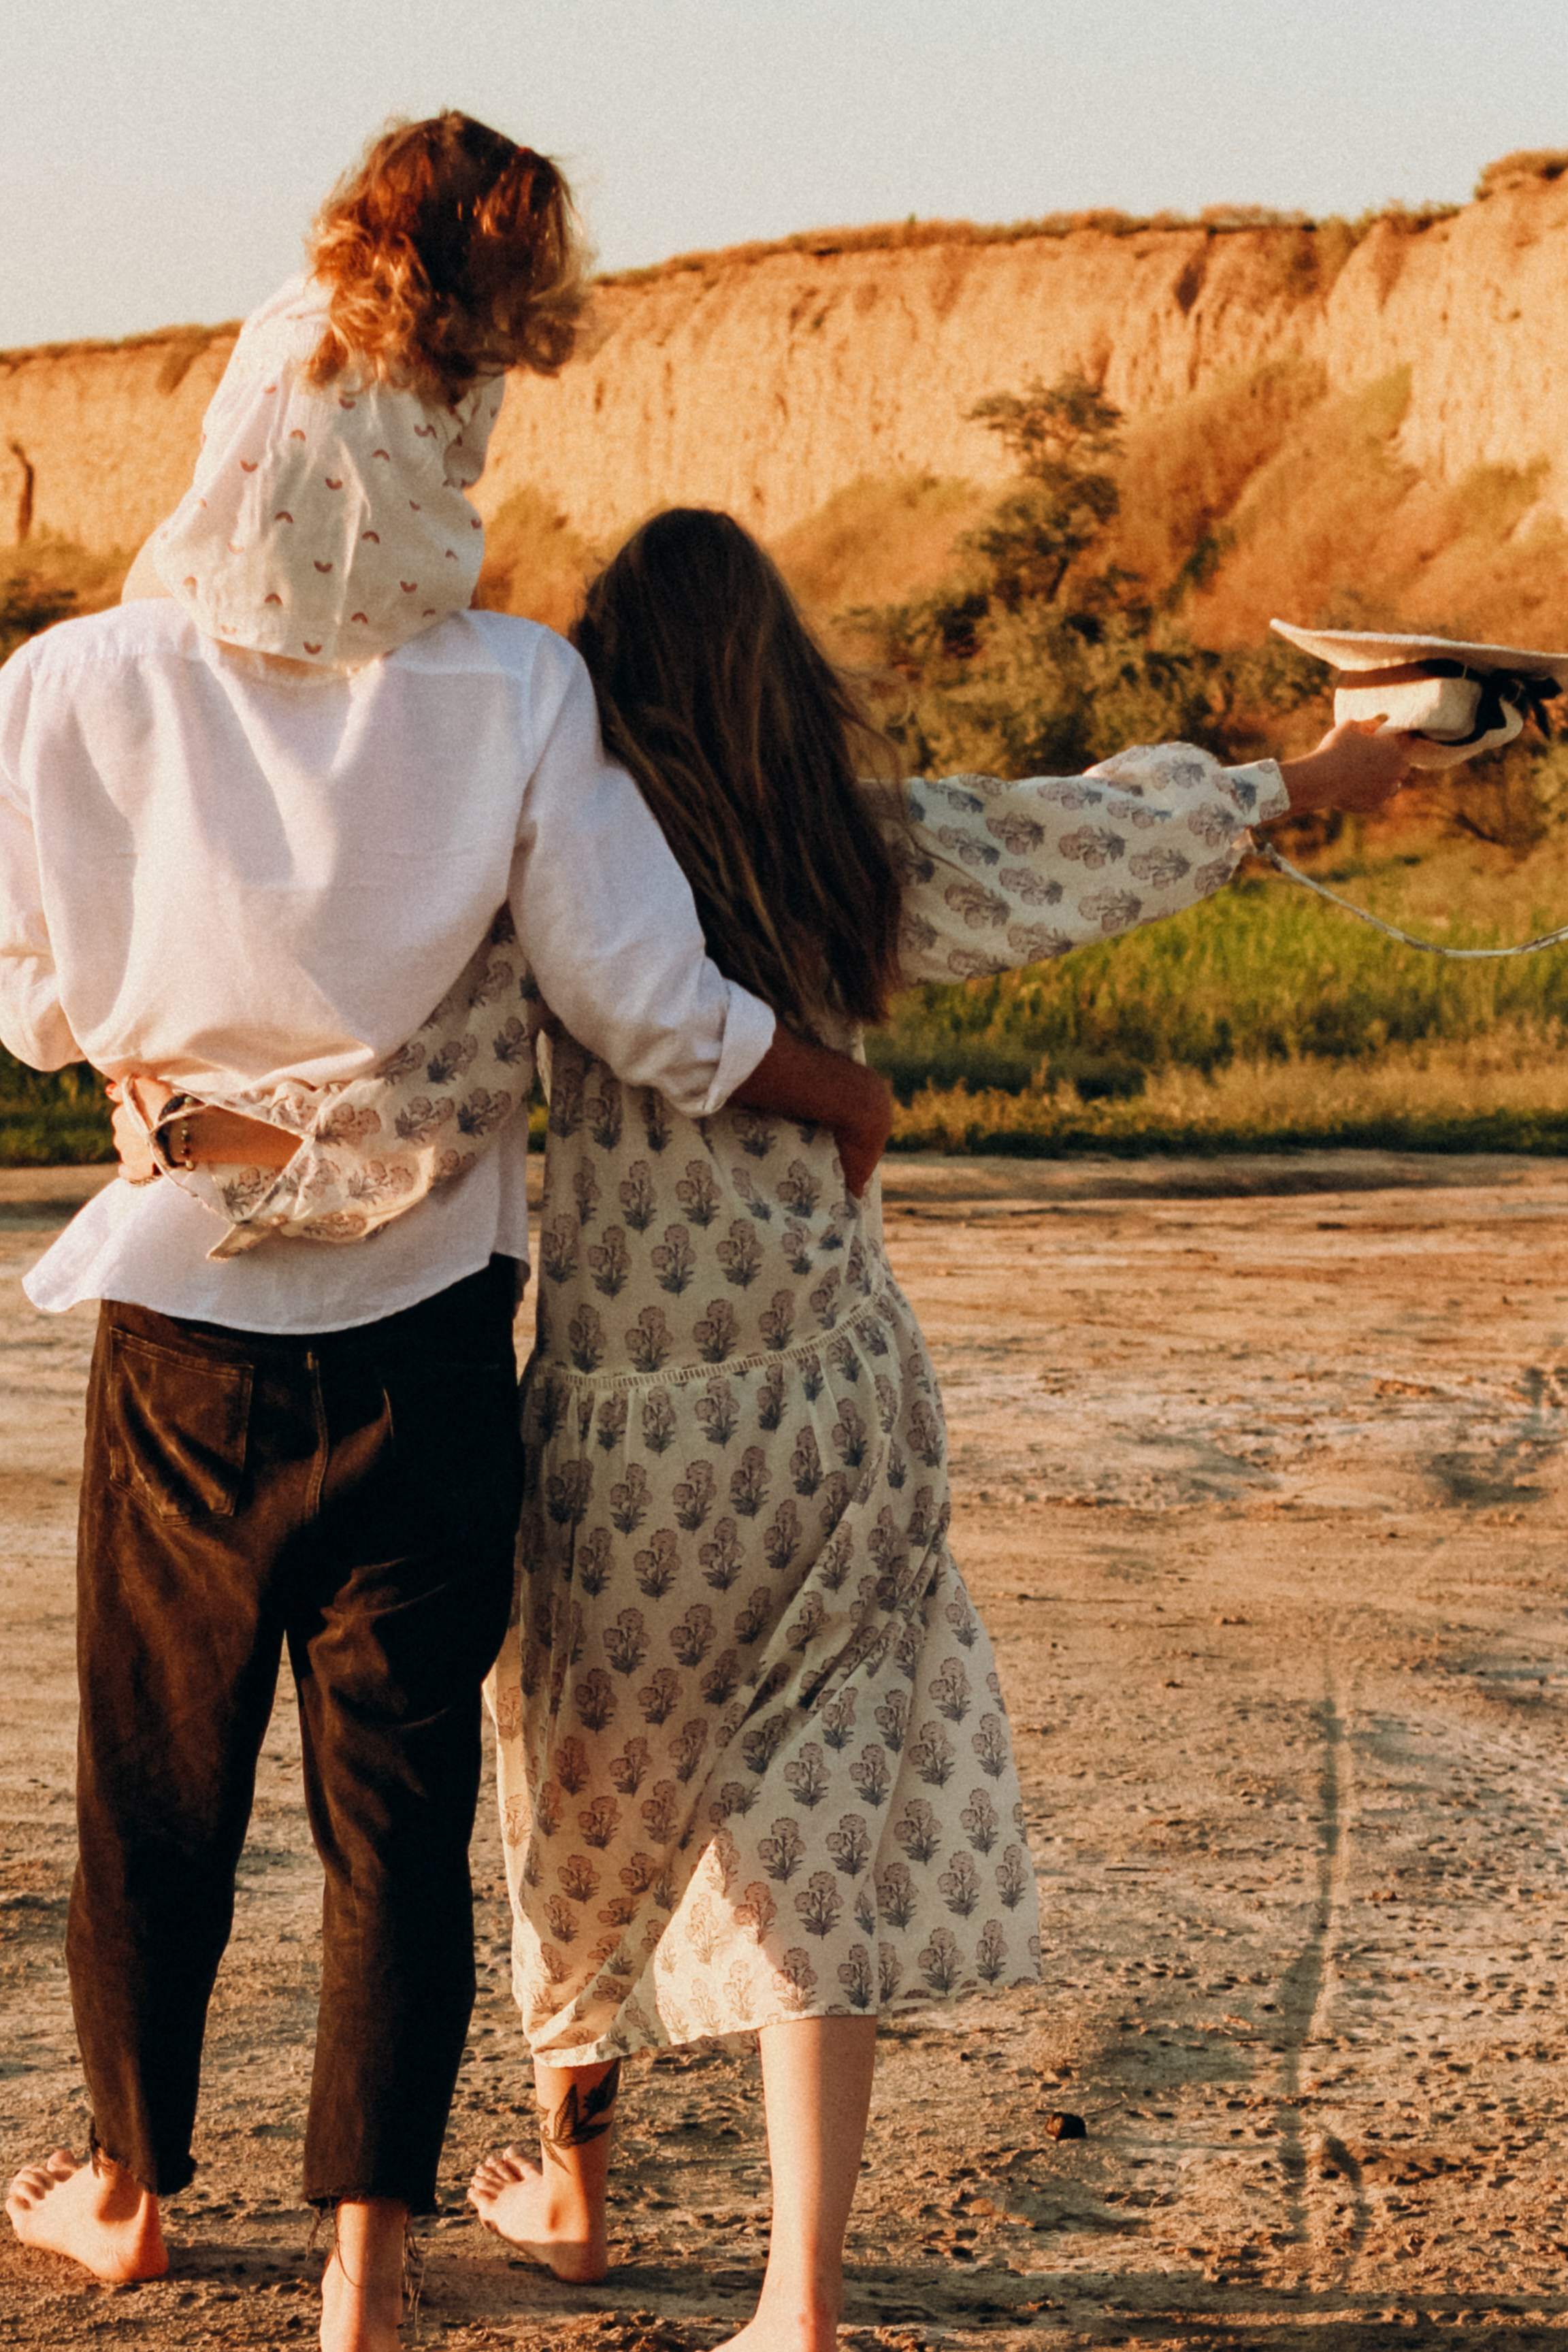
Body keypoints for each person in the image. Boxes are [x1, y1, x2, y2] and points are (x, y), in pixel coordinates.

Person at [125, 510, 1414, 2352]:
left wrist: (193, 1129)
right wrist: (1327, 768)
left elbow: (424, 1094)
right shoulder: (857, 853)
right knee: (826, 1822)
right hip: (837, 1401)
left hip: (631, 1444)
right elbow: (1092, 835)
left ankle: (574, 2175)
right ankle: (795, 2304)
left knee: (587, 1814)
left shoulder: (576, 880)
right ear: (776, 673)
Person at [0, 130, 889, 2352]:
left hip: (184, 1316)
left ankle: (123, 2191)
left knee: (156, 1786)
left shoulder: (73, 692)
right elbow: (651, 1010)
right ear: (452, 437)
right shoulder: (510, 689)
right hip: (429, 1328)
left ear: (240, 428)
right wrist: (835, 1083)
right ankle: (368, 2282)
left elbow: (28, 1001)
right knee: (391, 1813)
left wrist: (156, 1030)